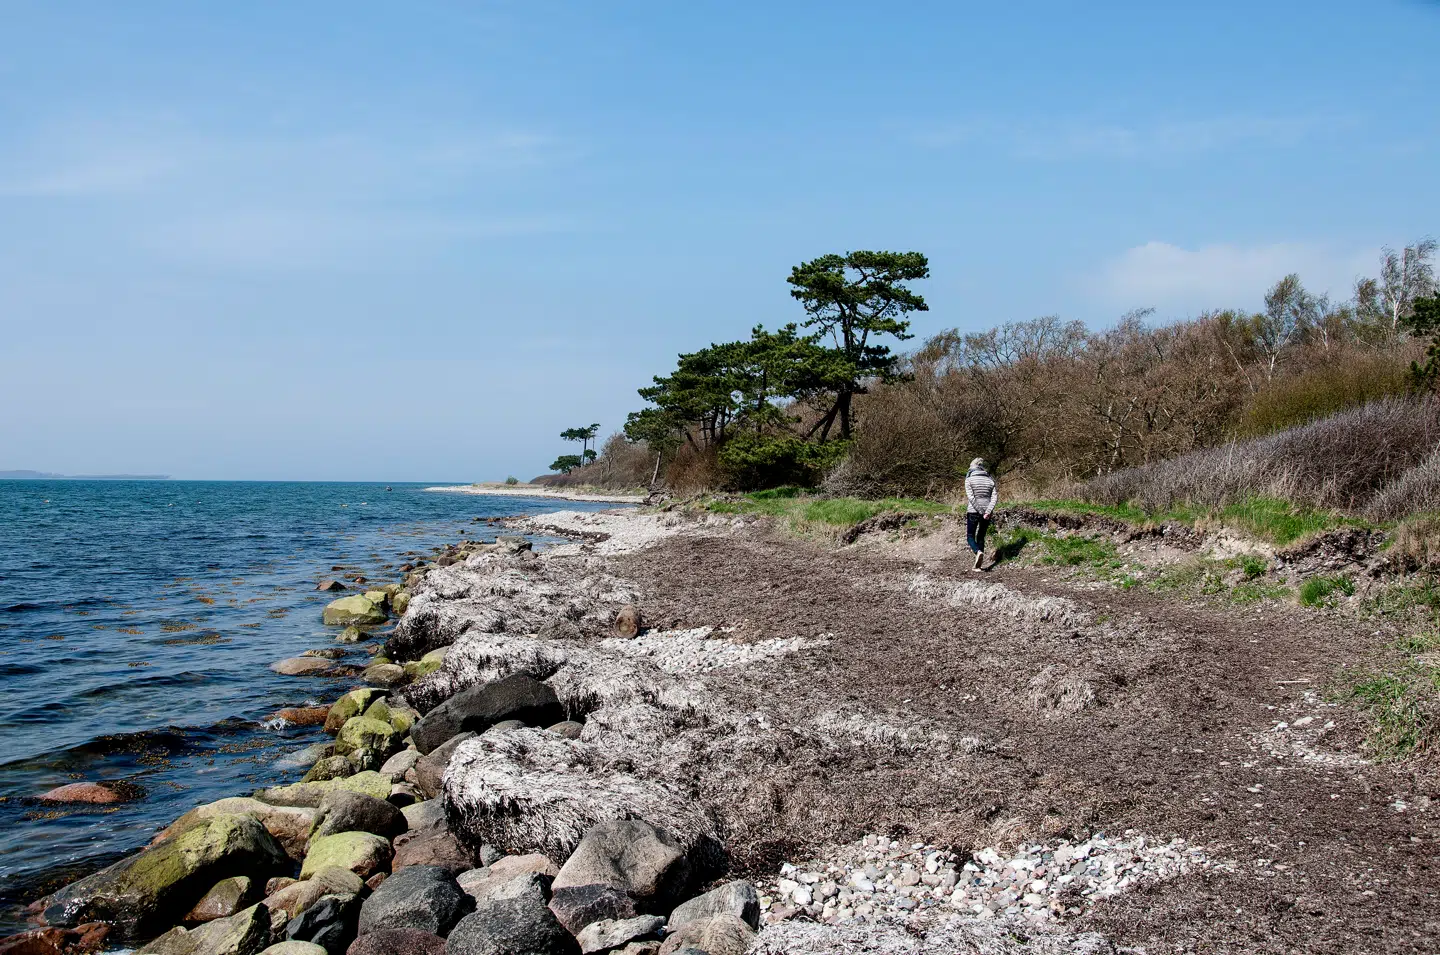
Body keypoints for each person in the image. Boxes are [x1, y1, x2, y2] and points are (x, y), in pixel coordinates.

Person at [964, 457, 997, 571]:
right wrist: (987, 511)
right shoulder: (990, 479)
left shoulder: (969, 480)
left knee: (970, 536)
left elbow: (971, 498)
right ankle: (979, 565)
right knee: (981, 536)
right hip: (987, 512)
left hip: (974, 511)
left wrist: (980, 511)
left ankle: (978, 552)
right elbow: (994, 497)